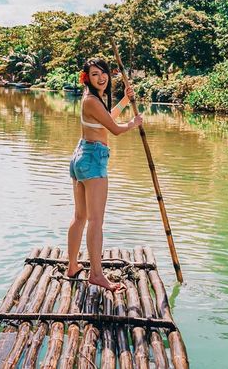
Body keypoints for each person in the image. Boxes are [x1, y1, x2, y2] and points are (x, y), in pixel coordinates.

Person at [67, 57, 143, 291]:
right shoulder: (92, 100)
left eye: (103, 73)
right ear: (87, 78)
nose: (100, 78)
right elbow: (115, 129)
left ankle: (72, 266)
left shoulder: (90, 99)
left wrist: (124, 100)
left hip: (81, 157)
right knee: (95, 220)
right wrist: (134, 122)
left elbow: (106, 116)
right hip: (93, 159)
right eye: (94, 74)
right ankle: (97, 275)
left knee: (80, 217)